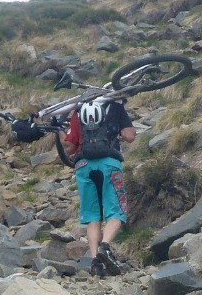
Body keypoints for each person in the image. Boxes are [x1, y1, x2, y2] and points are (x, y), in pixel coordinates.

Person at [62, 96, 136, 277]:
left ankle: (95, 260)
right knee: (116, 212)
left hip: (84, 167)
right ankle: (106, 246)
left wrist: (60, 132)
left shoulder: (78, 111)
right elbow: (130, 136)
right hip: (110, 164)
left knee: (93, 217)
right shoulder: (116, 107)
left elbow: (70, 148)